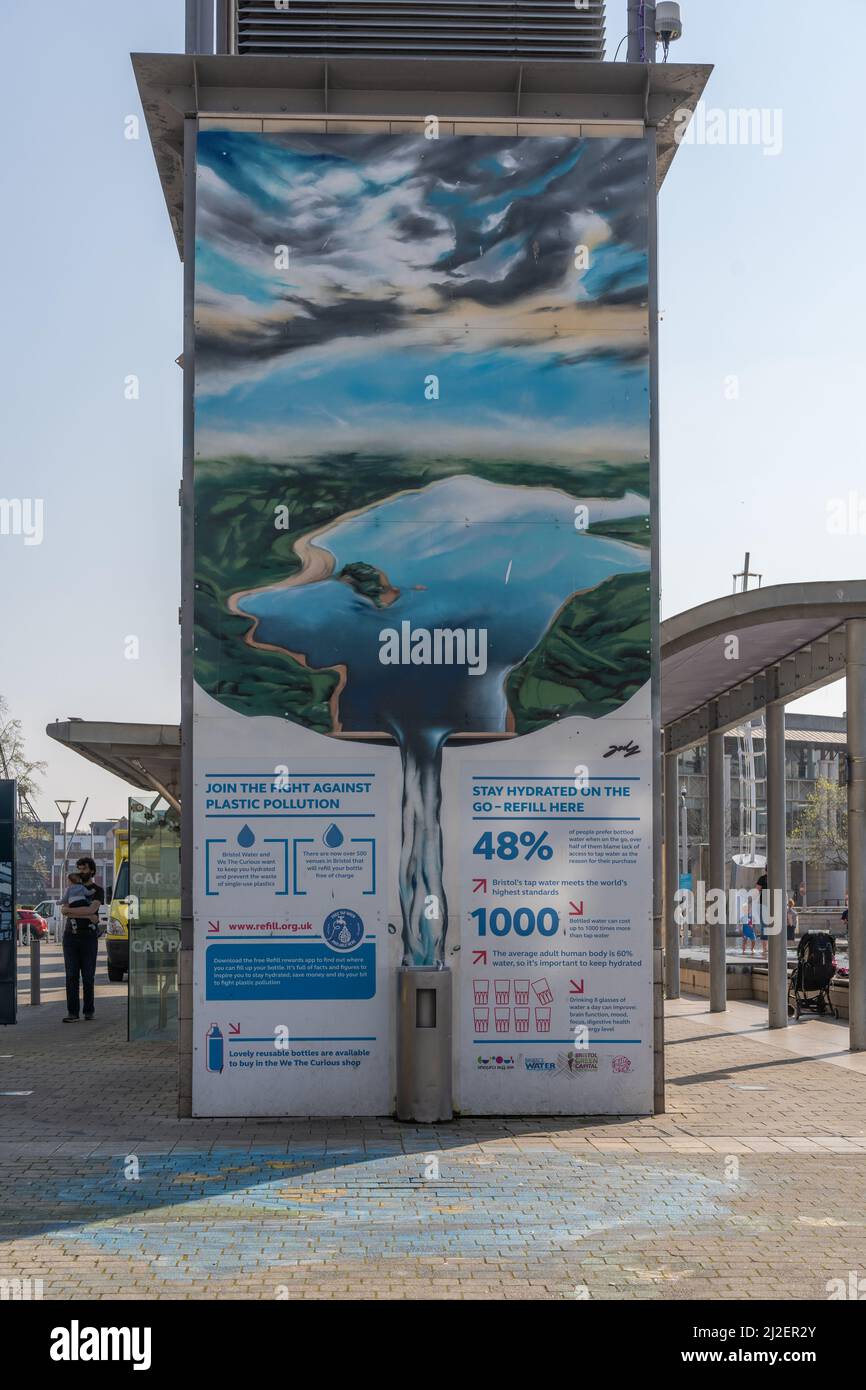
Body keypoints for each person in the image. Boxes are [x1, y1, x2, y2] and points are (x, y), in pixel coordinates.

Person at [60, 856, 104, 1022]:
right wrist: (89, 914)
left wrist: (75, 911)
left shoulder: (97, 890)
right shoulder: (71, 887)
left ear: (92, 870)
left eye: (84, 869)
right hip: (70, 937)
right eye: (79, 869)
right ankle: (72, 1013)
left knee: (88, 976)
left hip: (88, 937)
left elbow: (93, 908)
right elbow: (64, 910)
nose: (81, 872)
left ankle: (88, 1011)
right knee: (71, 976)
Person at [755, 871, 769, 959]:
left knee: (765, 926)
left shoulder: (763, 878)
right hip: (767, 903)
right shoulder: (763, 878)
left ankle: (765, 948)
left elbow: (756, 890)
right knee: (766, 926)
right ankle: (766, 948)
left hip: (764, 903)